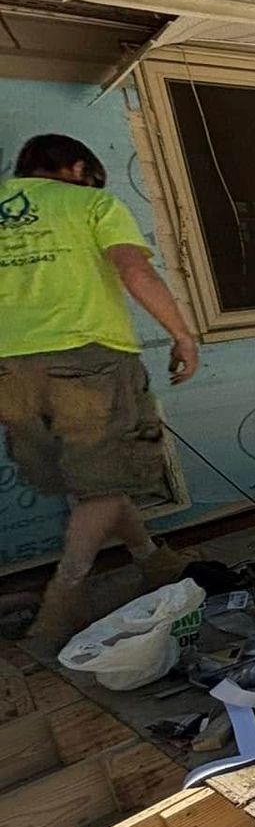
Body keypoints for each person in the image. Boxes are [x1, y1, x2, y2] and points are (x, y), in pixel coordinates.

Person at [0, 133, 201, 647]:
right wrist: (182, 334)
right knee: (105, 483)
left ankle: (153, 560)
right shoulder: (92, 203)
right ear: (75, 168)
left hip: (8, 369)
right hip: (87, 361)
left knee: (88, 484)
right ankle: (62, 602)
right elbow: (134, 269)